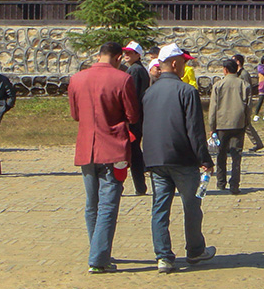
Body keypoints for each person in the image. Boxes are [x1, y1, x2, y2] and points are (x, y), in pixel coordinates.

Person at [142, 43, 216, 274]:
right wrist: (204, 158)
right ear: (174, 63)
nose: (186, 66)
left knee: (160, 208)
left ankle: (163, 256)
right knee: (192, 205)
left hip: (156, 159)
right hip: (183, 158)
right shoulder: (187, 91)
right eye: (184, 62)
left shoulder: (148, 93)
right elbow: (195, 129)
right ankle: (194, 250)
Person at [68, 42, 140, 273]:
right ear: (119, 57)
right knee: (108, 203)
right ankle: (98, 258)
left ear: (98, 55)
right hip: (113, 147)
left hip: (87, 148)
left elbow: (75, 114)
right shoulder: (122, 79)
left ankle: (97, 248)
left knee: (92, 204)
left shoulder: (77, 79)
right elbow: (133, 114)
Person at [208, 58, 252, 195]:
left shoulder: (218, 85)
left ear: (225, 70)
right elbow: (248, 106)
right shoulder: (244, 85)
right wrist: (246, 121)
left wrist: (212, 126)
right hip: (238, 123)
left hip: (222, 124)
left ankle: (221, 182)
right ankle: (235, 185)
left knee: (221, 154)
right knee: (236, 155)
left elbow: (213, 107)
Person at [122, 40, 150, 196]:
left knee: (132, 151)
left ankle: (139, 185)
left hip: (135, 117)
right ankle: (139, 185)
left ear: (137, 55)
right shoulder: (136, 69)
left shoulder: (135, 70)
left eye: (130, 53)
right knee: (133, 151)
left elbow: (131, 96)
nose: (127, 55)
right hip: (138, 116)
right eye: (125, 52)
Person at [233, 54, 264, 152]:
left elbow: (247, 89)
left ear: (238, 62)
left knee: (246, 125)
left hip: (243, 102)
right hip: (238, 101)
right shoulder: (237, 74)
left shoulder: (244, 74)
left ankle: (257, 143)